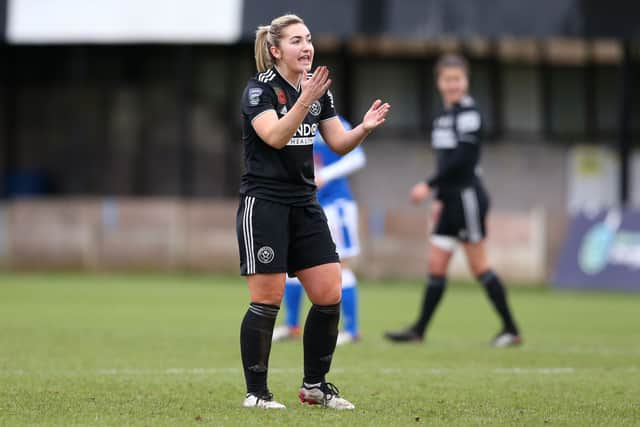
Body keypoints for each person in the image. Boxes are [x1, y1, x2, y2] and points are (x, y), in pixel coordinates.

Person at [237, 14, 390, 410]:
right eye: (295, 41)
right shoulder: (259, 91)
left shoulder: (318, 90)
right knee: (267, 299)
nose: (306, 47)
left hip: (305, 204)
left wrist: (364, 129)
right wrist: (305, 100)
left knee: (328, 291)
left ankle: (315, 386)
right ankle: (257, 393)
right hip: (265, 204)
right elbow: (274, 136)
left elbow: (338, 142)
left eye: (308, 39)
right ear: (275, 51)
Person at [383, 53, 522, 348]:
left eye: (458, 79)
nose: (452, 85)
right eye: (447, 79)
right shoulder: (443, 117)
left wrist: (429, 185)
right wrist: (440, 197)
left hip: (468, 197)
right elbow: (446, 159)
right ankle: (418, 330)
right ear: (439, 82)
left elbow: (463, 159)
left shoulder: (469, 113)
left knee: (479, 266)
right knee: (436, 265)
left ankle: (511, 329)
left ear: (466, 81)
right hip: (449, 200)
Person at [272, 115, 365, 346]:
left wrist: (325, 175)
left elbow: (357, 158)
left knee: (341, 265)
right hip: (306, 205)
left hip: (335, 205)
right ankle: (292, 325)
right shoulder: (290, 119)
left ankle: (351, 329)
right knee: (293, 262)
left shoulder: (329, 119)